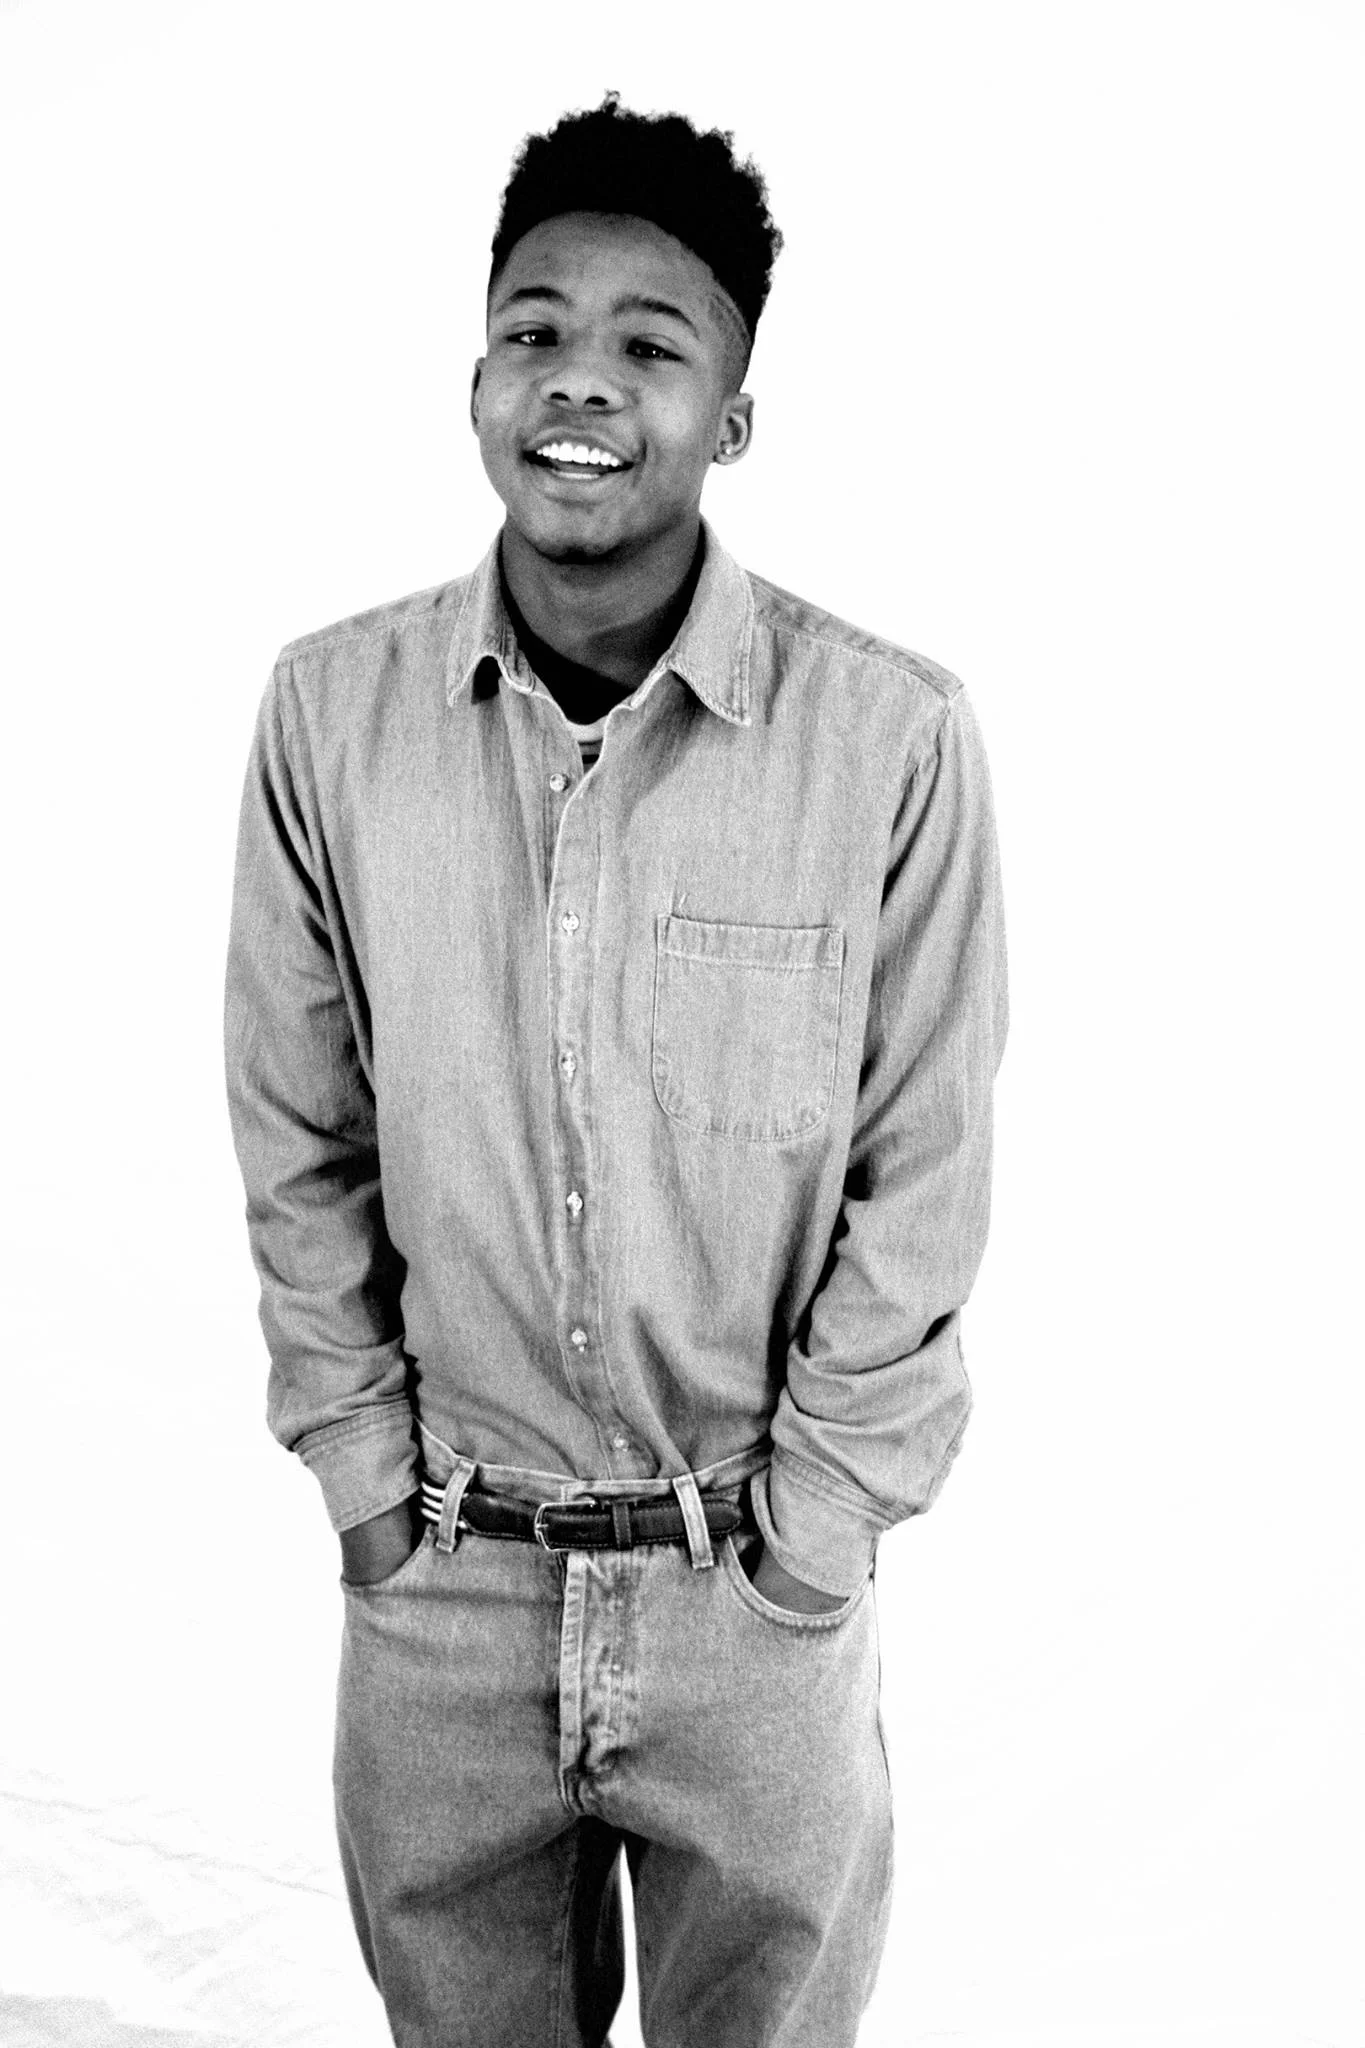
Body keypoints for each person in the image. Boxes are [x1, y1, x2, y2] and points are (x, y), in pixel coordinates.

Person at [224, 93, 1007, 2048]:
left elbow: (924, 1160)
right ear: (476, 372)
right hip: (444, 1590)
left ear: (731, 413)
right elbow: (294, 1126)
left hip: (751, 1587)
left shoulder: (887, 739)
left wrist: (811, 1527)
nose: (580, 381)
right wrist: (367, 1487)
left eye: (650, 345)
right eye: (533, 328)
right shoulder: (330, 714)